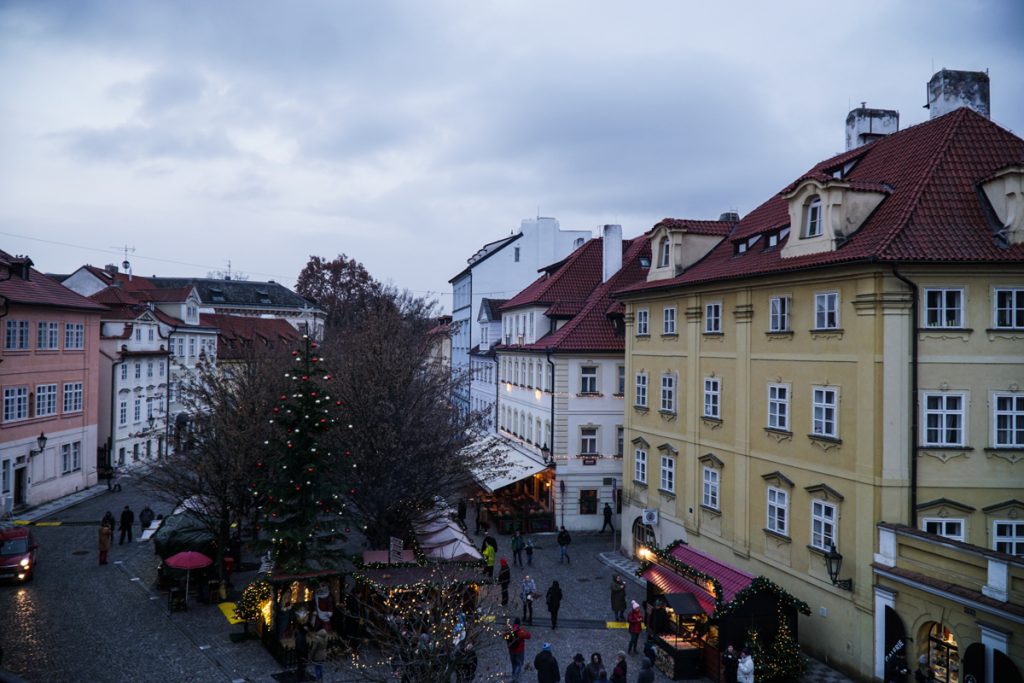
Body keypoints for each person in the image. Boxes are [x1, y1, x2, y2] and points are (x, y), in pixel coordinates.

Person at [506, 618, 532, 682]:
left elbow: (504, 636)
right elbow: (529, 636)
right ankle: (515, 677)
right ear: (519, 624)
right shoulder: (521, 631)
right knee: (519, 664)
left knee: (513, 663)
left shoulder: (510, 630)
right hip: (519, 651)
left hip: (511, 650)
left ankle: (513, 674)